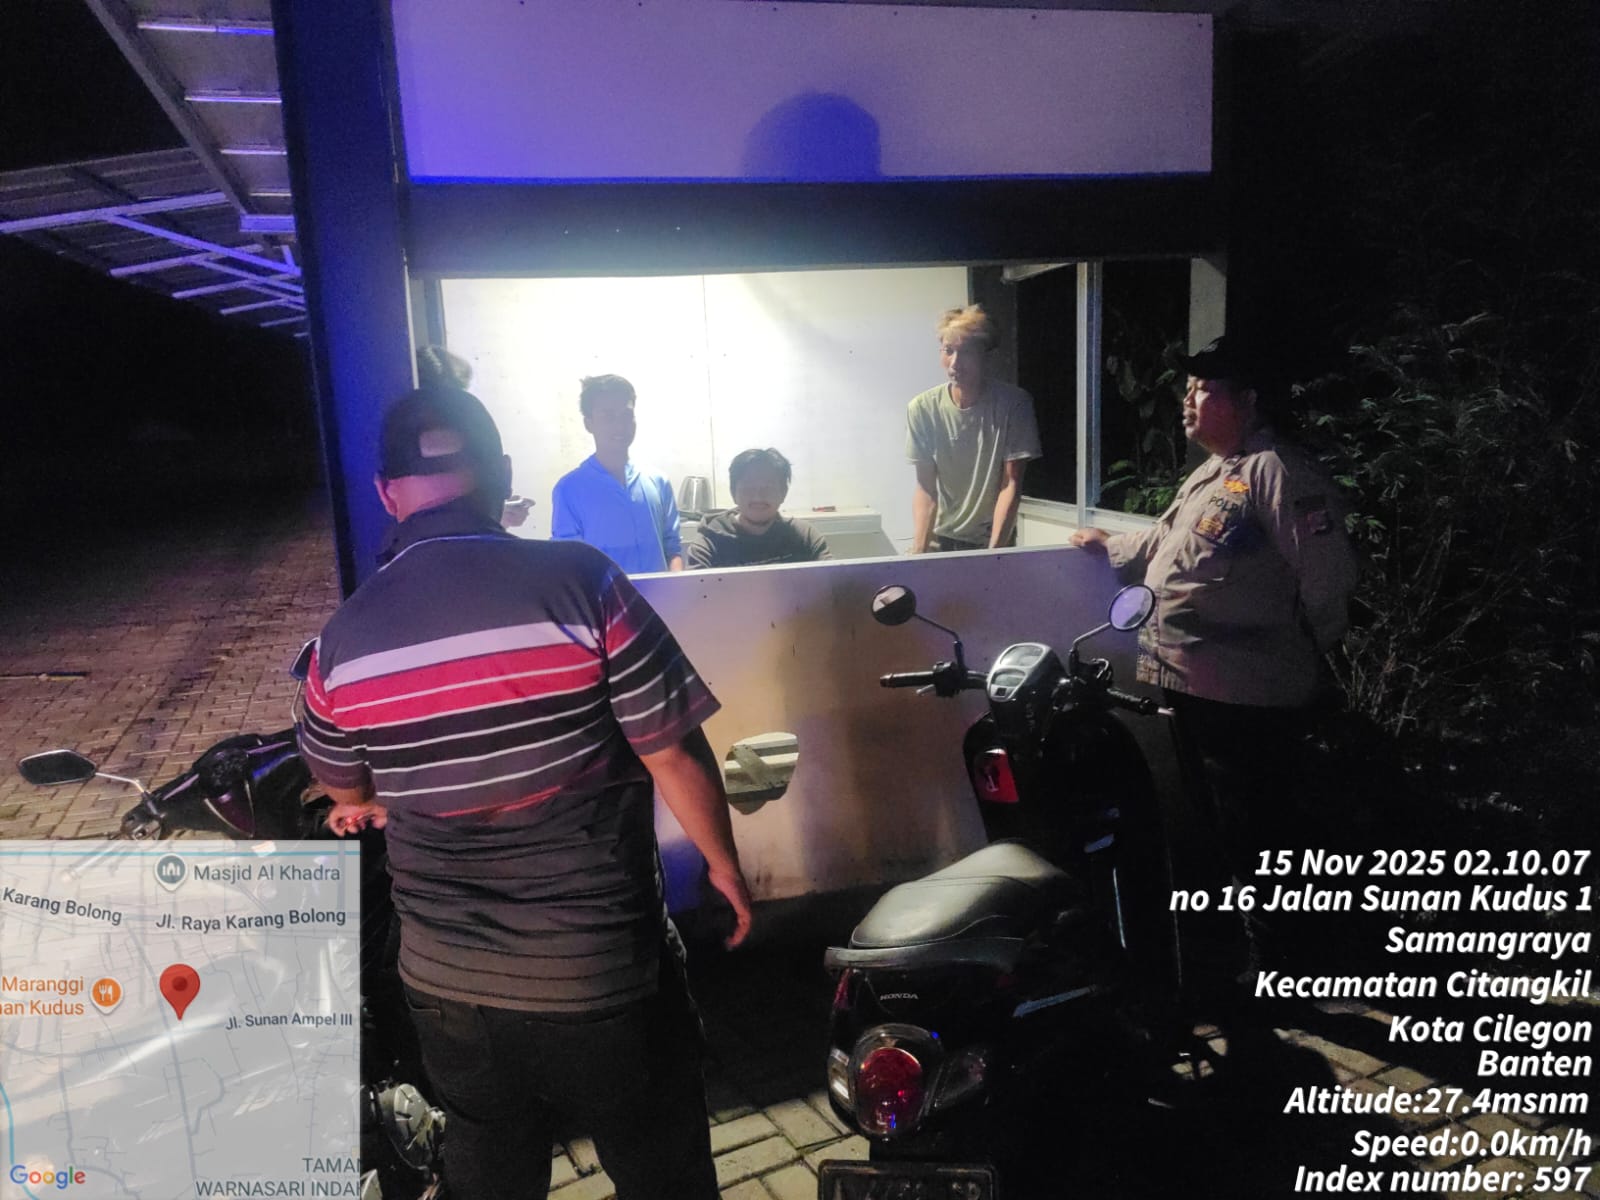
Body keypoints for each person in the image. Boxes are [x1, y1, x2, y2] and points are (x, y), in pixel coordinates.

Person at [296, 385, 752, 1200]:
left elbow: (344, 784)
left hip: (448, 987)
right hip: (602, 972)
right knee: (663, 1172)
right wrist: (723, 867)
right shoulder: (583, 582)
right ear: (502, 474)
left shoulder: (342, 643)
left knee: (490, 1172)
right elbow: (674, 752)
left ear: (387, 494)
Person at [1071, 335, 1358, 998]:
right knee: (1217, 826)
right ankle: (1236, 949)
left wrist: (1302, 656)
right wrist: (1107, 546)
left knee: (1256, 830)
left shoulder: (1279, 473)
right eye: (1189, 389)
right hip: (1194, 685)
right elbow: (1167, 540)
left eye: (1204, 390)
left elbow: (1328, 579)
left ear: (1248, 401)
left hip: (1248, 696)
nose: (1188, 401)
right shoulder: (1217, 472)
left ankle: (1282, 966)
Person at [905, 304, 1042, 553]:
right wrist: (918, 552)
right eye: (948, 351)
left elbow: (1010, 484)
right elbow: (926, 488)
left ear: (986, 355)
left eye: (966, 352)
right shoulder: (922, 408)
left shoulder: (1014, 404)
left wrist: (994, 554)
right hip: (940, 538)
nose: (955, 363)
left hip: (991, 539)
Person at [551, 374, 683, 573]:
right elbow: (568, 563)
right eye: (608, 416)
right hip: (603, 595)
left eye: (627, 415)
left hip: (660, 594)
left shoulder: (658, 481)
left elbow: (673, 548)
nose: (620, 426)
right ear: (588, 423)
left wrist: (676, 586)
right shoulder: (569, 489)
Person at [685, 447, 831, 568]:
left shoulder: (805, 536)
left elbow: (833, 584)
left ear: (783, 493)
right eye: (748, 488)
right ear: (733, 493)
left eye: (768, 488)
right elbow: (696, 592)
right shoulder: (708, 544)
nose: (758, 497)